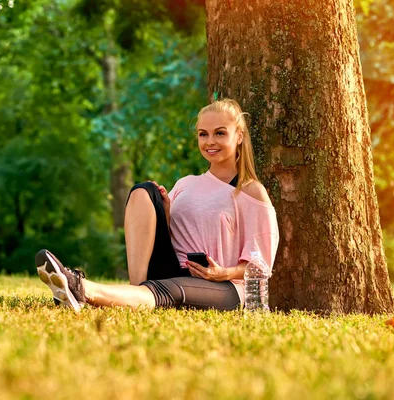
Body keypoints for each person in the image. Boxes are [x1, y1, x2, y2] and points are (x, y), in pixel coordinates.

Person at [35, 99, 279, 312]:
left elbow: (261, 265)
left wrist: (222, 273)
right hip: (172, 269)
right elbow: (175, 237)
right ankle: (135, 289)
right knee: (144, 191)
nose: (209, 141)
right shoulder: (186, 183)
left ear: (239, 136)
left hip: (222, 286)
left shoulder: (250, 192)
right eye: (203, 134)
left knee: (168, 290)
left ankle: (80, 288)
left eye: (220, 133)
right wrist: (166, 212)